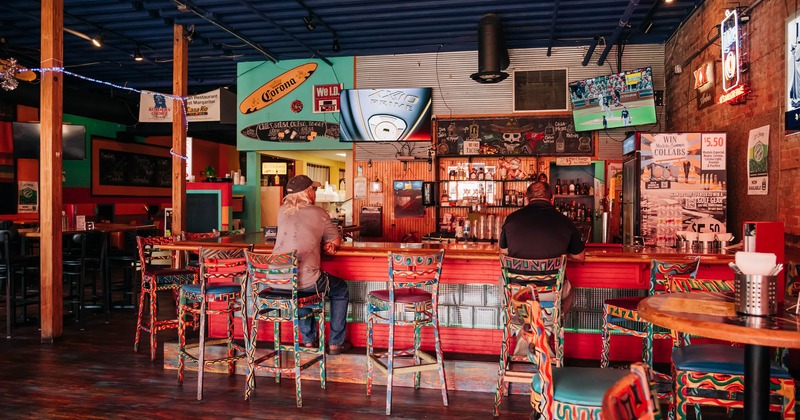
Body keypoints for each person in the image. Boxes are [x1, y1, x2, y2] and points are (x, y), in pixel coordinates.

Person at [499, 181, 586, 355]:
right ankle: (547, 331)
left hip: (518, 290)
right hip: (551, 292)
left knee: (503, 285)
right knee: (569, 292)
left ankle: (522, 329)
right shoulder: (565, 221)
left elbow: (503, 253)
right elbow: (579, 256)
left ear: (526, 200)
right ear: (552, 199)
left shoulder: (512, 219)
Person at [272, 174, 351, 355]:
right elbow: (335, 238)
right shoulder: (319, 213)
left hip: (276, 280)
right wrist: (332, 244)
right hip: (306, 279)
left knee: (299, 289)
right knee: (339, 289)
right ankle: (335, 343)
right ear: (307, 193)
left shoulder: (281, 211)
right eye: (313, 189)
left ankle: (308, 340)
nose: (314, 193)